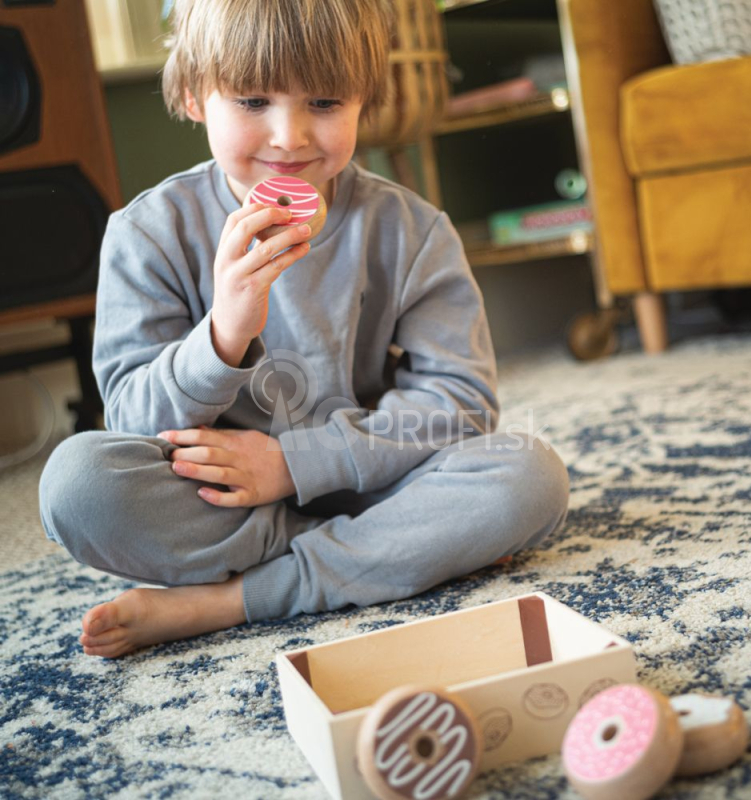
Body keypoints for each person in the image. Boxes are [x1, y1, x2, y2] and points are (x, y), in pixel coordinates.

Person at [38, 0, 569, 659]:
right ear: (193, 94)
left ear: (363, 100)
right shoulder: (147, 233)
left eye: (324, 101)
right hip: (229, 509)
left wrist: (293, 464)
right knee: (76, 484)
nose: (289, 136)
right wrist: (222, 335)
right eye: (253, 99)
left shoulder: (412, 229)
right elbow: (132, 420)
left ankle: (235, 600)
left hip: (380, 481)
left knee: (529, 473)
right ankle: (381, 555)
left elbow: (459, 403)